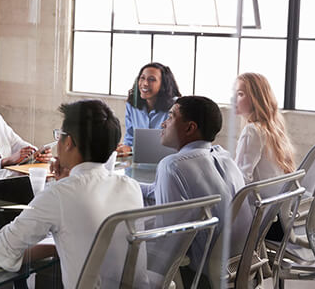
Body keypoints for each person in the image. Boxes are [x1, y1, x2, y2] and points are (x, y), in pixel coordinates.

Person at [0, 100, 146, 289]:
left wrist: (62, 185)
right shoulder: (131, 187)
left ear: (68, 142)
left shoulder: (60, 194)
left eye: (59, 135)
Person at [141, 96, 247, 285]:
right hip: (237, 263)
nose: (164, 124)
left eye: (171, 117)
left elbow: (169, 237)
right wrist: (125, 183)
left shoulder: (172, 166)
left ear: (190, 128)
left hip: (199, 274)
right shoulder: (222, 157)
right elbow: (156, 192)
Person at [233, 73, 295, 184]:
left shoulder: (252, 131)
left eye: (240, 94)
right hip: (275, 197)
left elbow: (241, 179)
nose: (233, 99)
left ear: (256, 99)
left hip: (259, 200)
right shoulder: (273, 128)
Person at [117, 62, 181, 155]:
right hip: (138, 161)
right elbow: (130, 138)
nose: (145, 83)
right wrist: (125, 149)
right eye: (142, 78)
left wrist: (131, 149)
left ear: (163, 84)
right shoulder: (132, 105)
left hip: (166, 159)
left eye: (152, 79)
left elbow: (177, 143)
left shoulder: (176, 106)